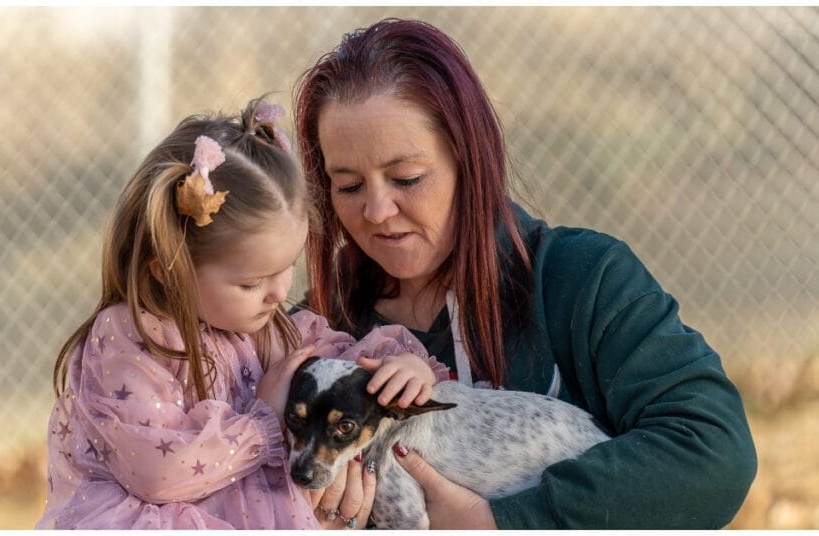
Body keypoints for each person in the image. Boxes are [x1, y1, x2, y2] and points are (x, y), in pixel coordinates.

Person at [293, 18, 757, 529]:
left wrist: (500, 520)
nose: (377, 210)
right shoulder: (319, 331)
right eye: (349, 186)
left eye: (407, 177)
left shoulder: (582, 279)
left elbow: (712, 452)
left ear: (471, 161)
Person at [37, 97, 448, 529]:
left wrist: (401, 366)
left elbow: (346, 362)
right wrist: (262, 424)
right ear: (169, 270)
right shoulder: (134, 336)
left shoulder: (268, 327)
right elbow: (156, 473)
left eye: (287, 268)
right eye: (251, 282)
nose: (278, 294)